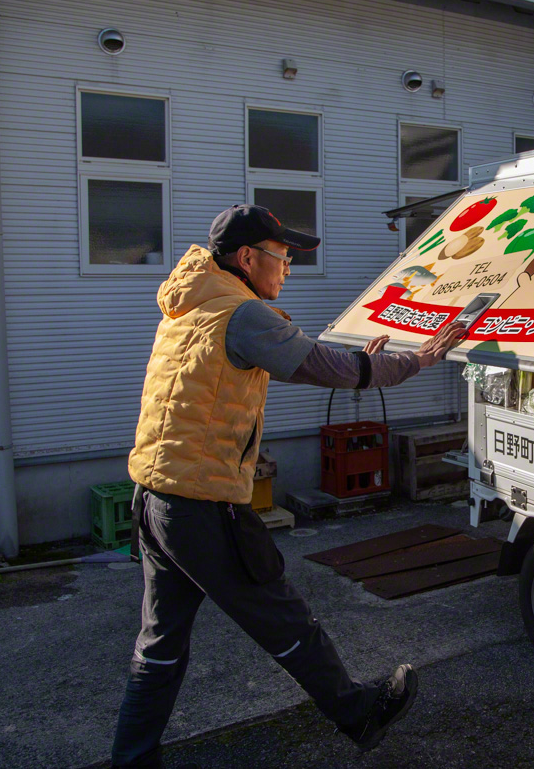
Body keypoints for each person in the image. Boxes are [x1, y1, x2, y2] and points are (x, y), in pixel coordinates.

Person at [111, 205, 467, 768]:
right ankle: (358, 711)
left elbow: (312, 363)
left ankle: (131, 760)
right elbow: (325, 367)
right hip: (202, 505)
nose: (289, 269)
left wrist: (354, 362)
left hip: (155, 501)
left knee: (159, 647)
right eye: (283, 257)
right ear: (248, 258)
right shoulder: (242, 313)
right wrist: (417, 361)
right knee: (282, 617)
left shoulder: (191, 304)